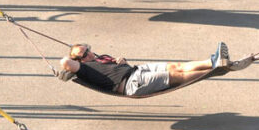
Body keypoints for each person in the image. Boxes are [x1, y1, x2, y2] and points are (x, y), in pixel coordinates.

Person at [59, 41, 231, 97]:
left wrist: (121, 61)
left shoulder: (100, 58)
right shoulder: (84, 68)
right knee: (175, 76)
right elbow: (64, 62)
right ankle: (214, 70)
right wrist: (72, 63)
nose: (89, 54)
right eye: (83, 54)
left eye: (87, 50)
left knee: (176, 66)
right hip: (132, 83)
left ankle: (213, 61)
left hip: (137, 70)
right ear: (78, 60)